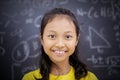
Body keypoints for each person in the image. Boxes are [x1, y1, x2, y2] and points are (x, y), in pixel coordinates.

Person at [22, 8, 98, 80]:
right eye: (52, 36)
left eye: (68, 36)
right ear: (42, 39)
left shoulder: (89, 78)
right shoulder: (30, 78)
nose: (60, 44)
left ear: (76, 40)